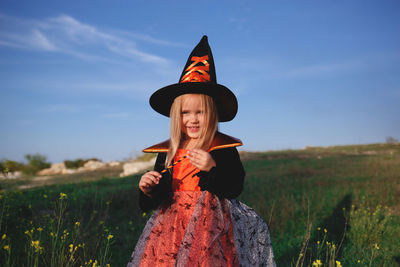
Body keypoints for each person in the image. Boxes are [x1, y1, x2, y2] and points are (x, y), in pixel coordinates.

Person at [127, 36, 275, 267]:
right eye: (186, 113)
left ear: (213, 115)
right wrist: (148, 189)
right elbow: (161, 195)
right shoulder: (169, 150)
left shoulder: (222, 148)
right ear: (177, 116)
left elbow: (235, 187)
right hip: (171, 229)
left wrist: (211, 168)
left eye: (201, 112)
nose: (193, 119)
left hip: (210, 231)